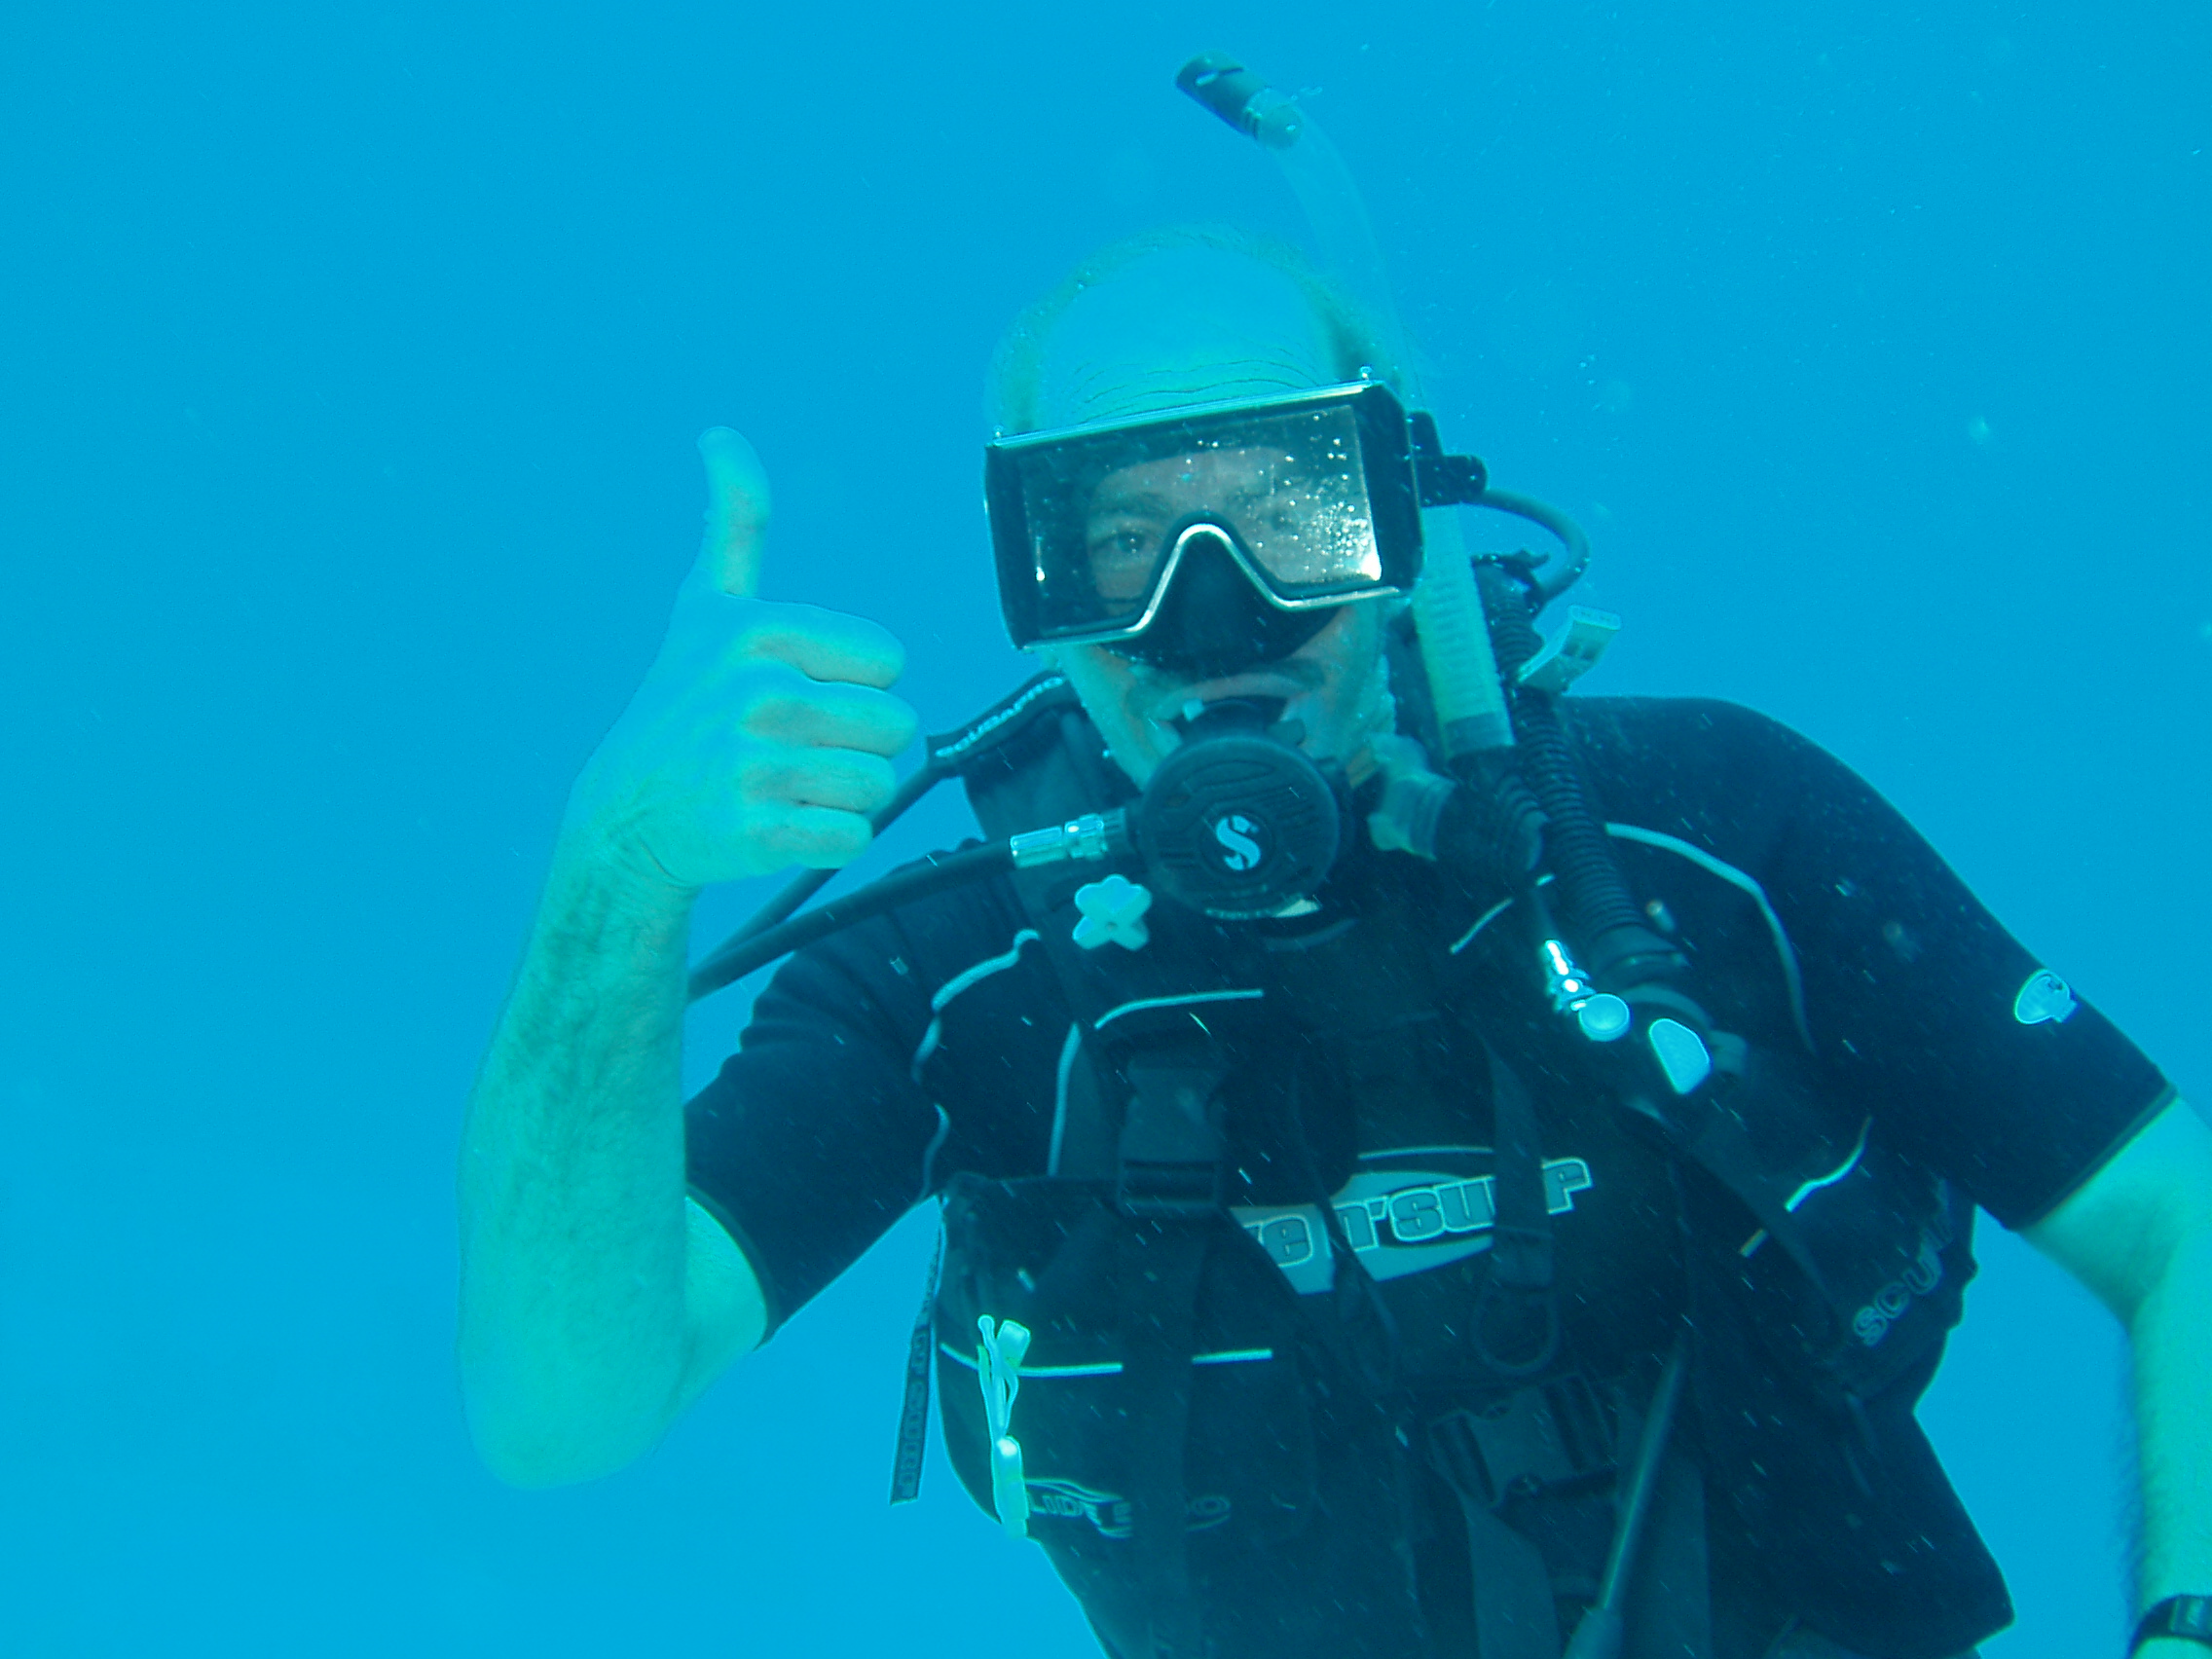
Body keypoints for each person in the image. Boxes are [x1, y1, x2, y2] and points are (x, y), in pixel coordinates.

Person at [457, 228, 2212, 1659]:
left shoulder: (1705, 832)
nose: (1210, 616)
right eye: (1119, 545)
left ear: (1406, 526)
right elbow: (563, 1414)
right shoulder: (960, 969)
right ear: (1036, 589)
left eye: (1293, 511)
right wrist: (613, 881)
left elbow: (2172, 1216)